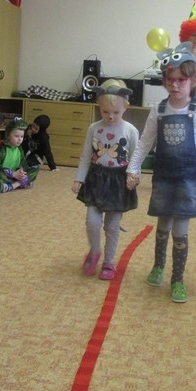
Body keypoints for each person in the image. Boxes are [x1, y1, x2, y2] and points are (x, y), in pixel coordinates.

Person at [126, 42, 196, 303]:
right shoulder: (158, 110)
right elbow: (145, 141)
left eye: (181, 80)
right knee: (163, 224)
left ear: (194, 81)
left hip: (189, 177)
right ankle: (158, 266)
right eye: (170, 80)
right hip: (164, 175)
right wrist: (133, 168)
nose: (175, 85)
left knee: (180, 227)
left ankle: (177, 279)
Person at [73, 80, 139, 280]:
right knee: (92, 222)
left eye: (116, 112)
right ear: (99, 107)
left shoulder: (130, 130)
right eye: (105, 112)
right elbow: (86, 155)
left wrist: (134, 177)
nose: (110, 116)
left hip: (118, 182)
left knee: (112, 226)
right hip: (96, 179)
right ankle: (95, 251)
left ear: (125, 107)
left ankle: (109, 262)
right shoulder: (94, 128)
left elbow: (136, 158)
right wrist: (79, 178)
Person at [0, 118, 36, 201]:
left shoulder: (20, 149)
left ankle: (12, 186)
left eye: (21, 136)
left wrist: (21, 171)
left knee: (34, 170)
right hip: (2, 175)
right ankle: (16, 184)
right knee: (1, 174)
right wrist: (13, 174)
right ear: (8, 135)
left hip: (14, 176)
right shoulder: (1, 149)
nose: (19, 139)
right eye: (16, 136)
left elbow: (22, 163)